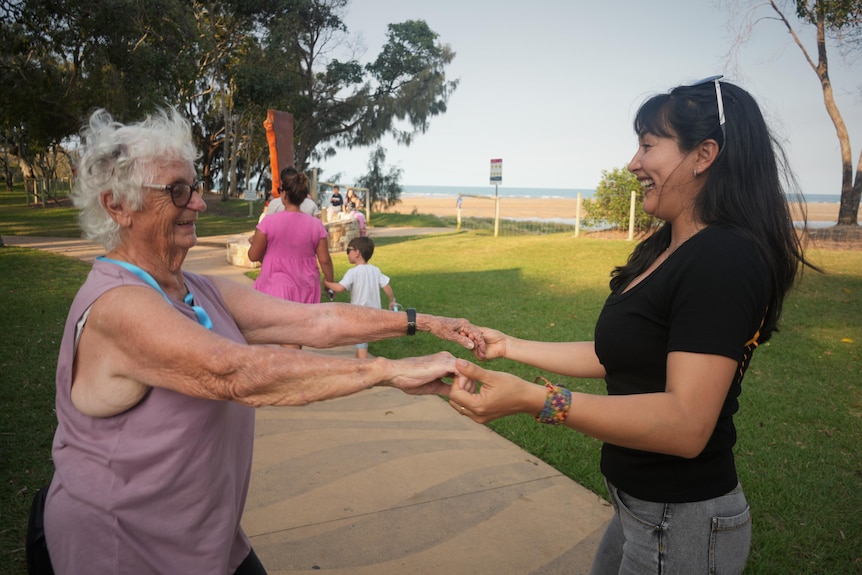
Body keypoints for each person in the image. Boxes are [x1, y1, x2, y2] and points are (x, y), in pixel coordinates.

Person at [44, 107, 485, 574]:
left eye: (193, 188)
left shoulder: (193, 287)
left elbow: (315, 322)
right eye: (177, 191)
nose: (198, 203)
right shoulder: (118, 305)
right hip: (125, 547)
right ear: (117, 205)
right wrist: (386, 371)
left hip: (207, 540)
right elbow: (233, 372)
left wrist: (426, 322)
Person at [448, 77, 817, 574]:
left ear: (704, 154)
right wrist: (510, 345)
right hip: (639, 508)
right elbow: (615, 355)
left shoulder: (723, 258)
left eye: (648, 145)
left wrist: (537, 399)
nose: (633, 163)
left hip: (682, 521)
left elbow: (686, 424)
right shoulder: (668, 247)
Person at [248, 168, 333, 318]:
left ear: (284, 194)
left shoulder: (268, 222)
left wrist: (254, 243)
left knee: (279, 333)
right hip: (306, 287)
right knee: (297, 333)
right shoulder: (316, 225)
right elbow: (325, 260)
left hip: (274, 285)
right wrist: (329, 281)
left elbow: (254, 256)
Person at [325, 237, 397, 358]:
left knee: (361, 343)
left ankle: (363, 370)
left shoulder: (353, 272)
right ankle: (357, 364)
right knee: (361, 342)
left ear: (357, 252)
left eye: (348, 250)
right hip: (375, 313)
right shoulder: (375, 270)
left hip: (360, 314)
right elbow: (386, 286)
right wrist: (392, 301)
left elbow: (340, 288)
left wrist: (326, 283)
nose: (347, 254)